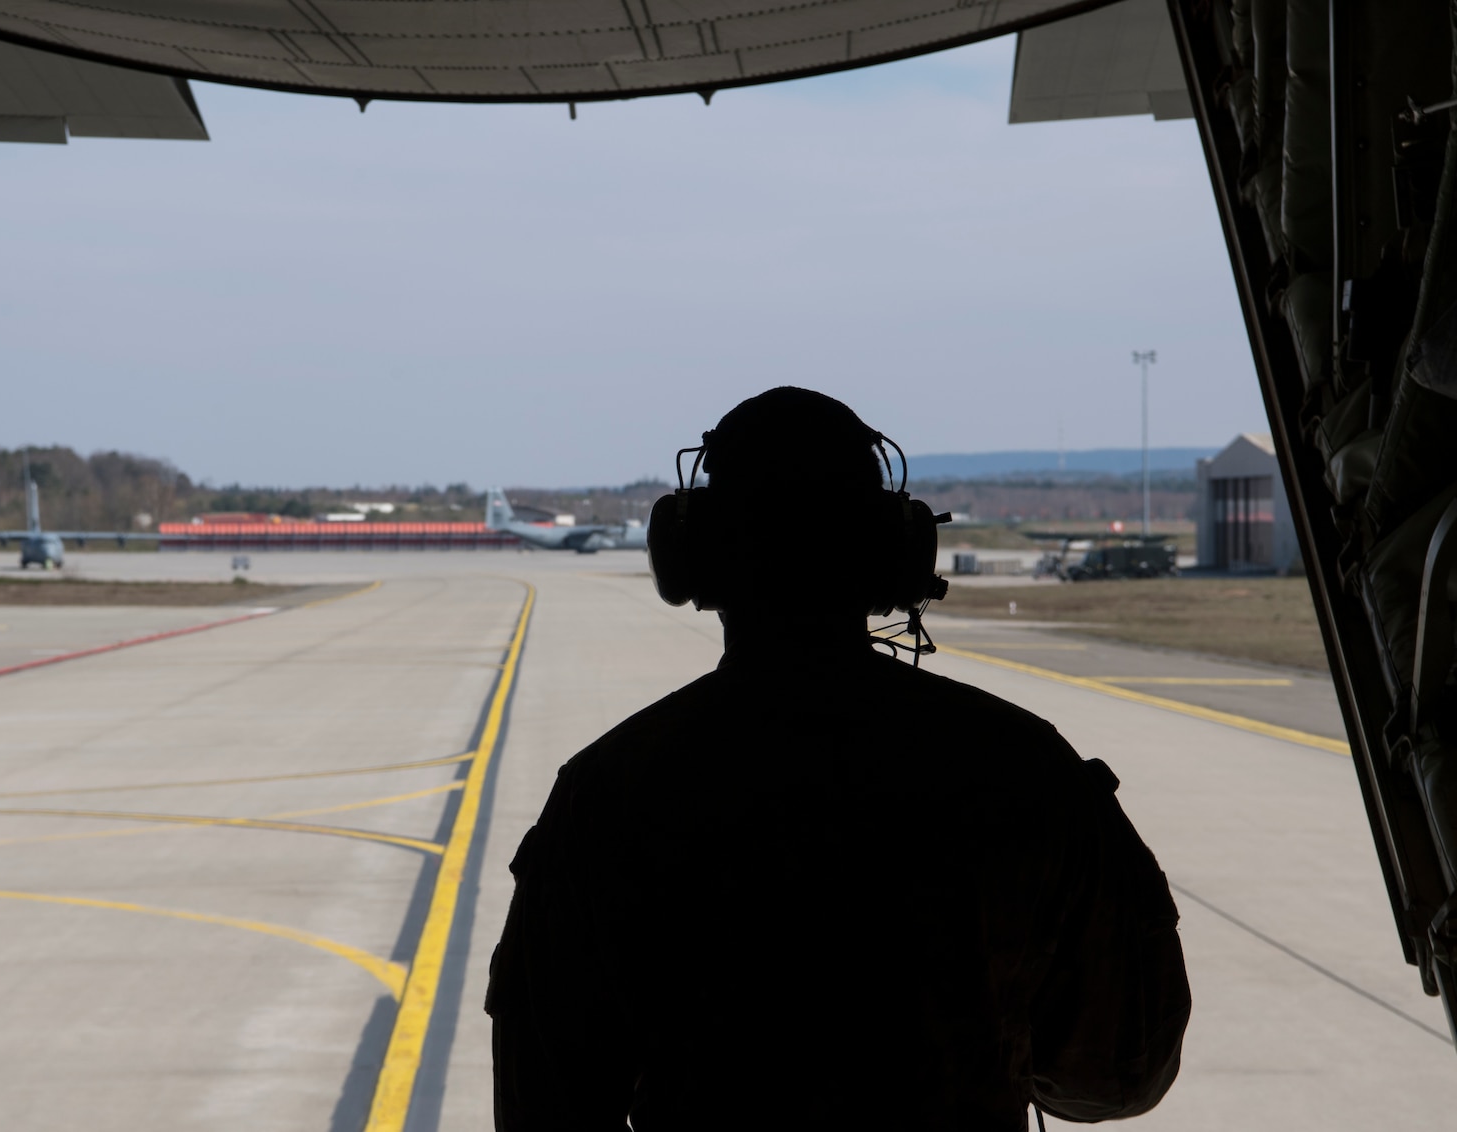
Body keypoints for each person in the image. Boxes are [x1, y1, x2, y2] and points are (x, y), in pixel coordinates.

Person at [485, 387, 1189, 1130]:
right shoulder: (1024, 768)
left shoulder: (608, 794)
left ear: (692, 557)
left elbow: (544, 1106)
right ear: (897, 553)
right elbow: (1120, 1075)